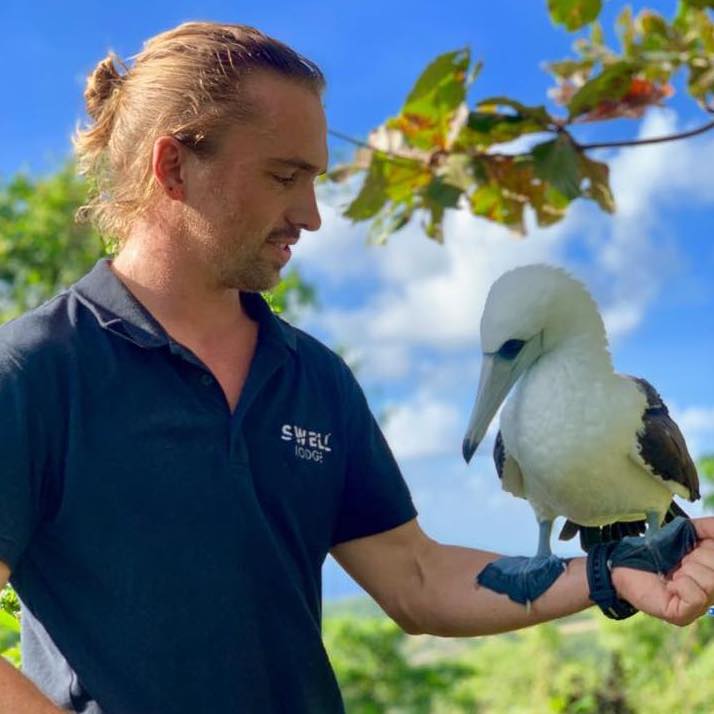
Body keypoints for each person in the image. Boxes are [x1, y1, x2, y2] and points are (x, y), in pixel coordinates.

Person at [1, 21, 713, 714]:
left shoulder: (315, 379)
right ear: (175, 166)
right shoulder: (36, 373)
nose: (311, 216)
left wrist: (613, 570)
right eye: (285, 177)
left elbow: (417, 578)